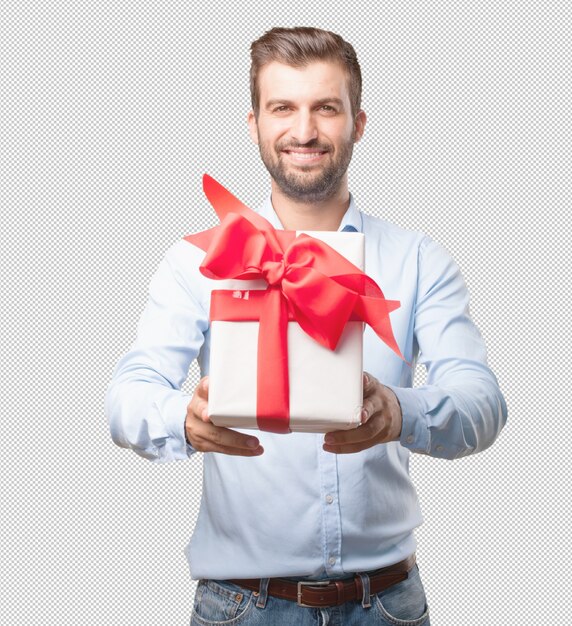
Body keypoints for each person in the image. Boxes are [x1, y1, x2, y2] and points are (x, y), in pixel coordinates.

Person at [106, 26, 507, 626]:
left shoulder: (417, 259)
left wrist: (399, 412)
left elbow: (483, 403)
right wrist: (181, 419)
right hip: (240, 606)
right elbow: (126, 398)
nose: (303, 131)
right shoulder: (199, 258)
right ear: (255, 124)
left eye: (326, 108)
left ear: (358, 121)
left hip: (388, 605)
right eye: (283, 108)